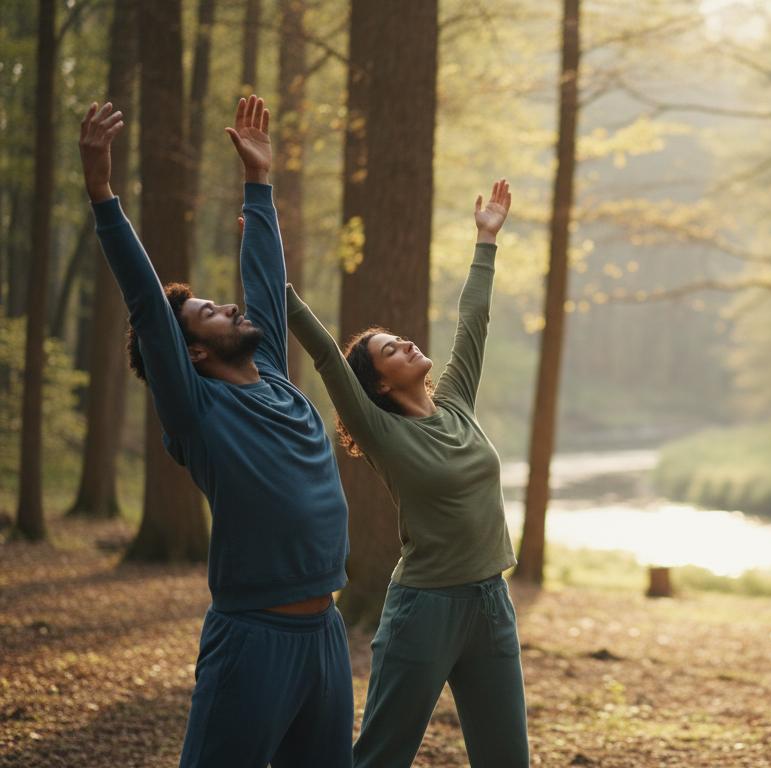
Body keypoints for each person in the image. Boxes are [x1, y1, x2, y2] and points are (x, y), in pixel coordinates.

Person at [79, 95, 353, 768]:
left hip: (326, 634)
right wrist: (102, 192)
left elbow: (264, 281)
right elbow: (148, 304)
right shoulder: (199, 414)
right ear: (193, 352)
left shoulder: (272, 376)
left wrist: (260, 185)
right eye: (208, 311)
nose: (228, 306)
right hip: (253, 640)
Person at [286, 181, 527, 767]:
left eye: (401, 339)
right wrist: (274, 275)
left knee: (506, 760)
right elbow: (322, 352)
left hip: (491, 600)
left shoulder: (456, 404)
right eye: (391, 350)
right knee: (383, 757)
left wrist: (485, 240)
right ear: (381, 385)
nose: (408, 344)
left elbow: (474, 321)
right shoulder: (383, 434)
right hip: (426, 610)